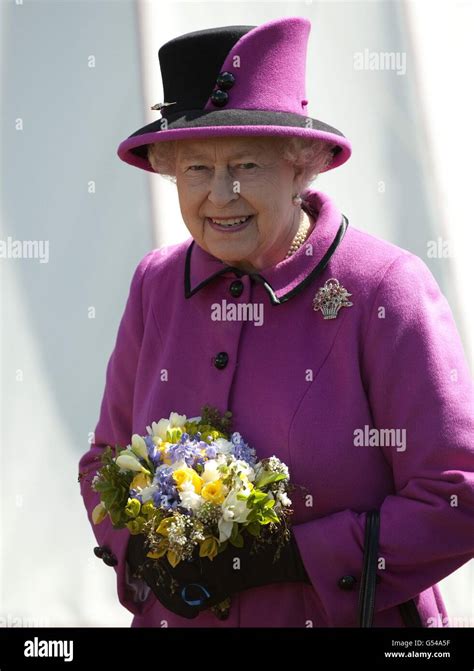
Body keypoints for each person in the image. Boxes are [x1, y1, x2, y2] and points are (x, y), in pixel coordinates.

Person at [78, 16, 474, 628]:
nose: (221, 194)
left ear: (302, 164)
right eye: (197, 169)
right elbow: (104, 461)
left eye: (247, 165)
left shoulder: (383, 289)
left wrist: (291, 558)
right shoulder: (155, 285)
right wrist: (148, 555)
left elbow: (458, 496)